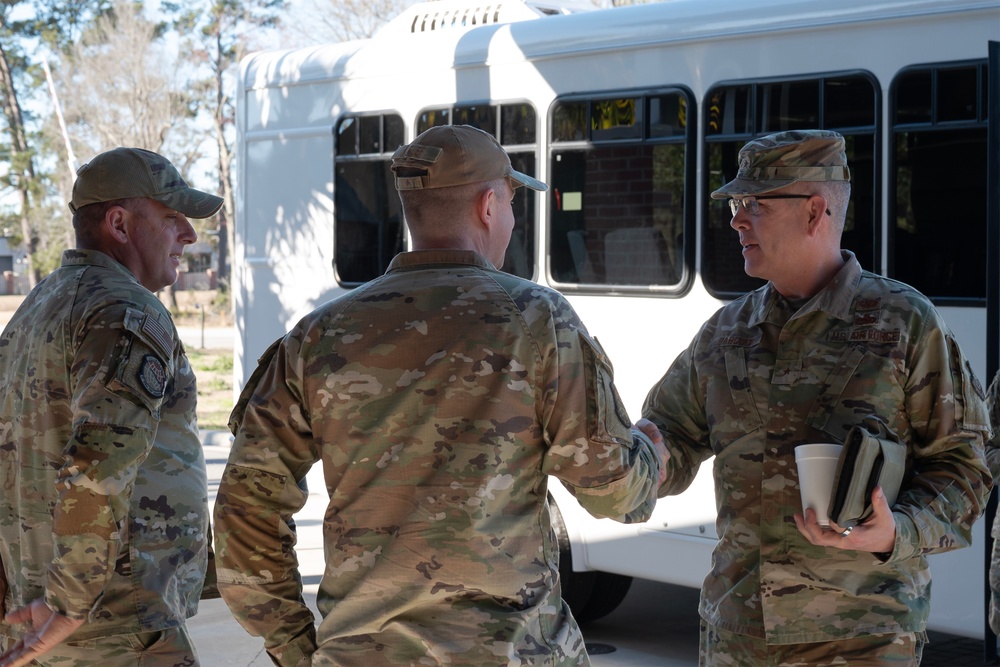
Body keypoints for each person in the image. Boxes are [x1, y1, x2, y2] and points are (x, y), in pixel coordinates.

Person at [213, 124, 667, 667]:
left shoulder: (317, 336)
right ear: (488, 204)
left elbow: (246, 510)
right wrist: (650, 458)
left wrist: (296, 646)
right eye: (513, 201)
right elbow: (612, 491)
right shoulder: (539, 321)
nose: (513, 219)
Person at [638, 129, 992, 665]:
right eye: (737, 203)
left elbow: (965, 469)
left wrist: (896, 530)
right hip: (740, 639)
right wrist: (645, 457)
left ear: (814, 212)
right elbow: (671, 438)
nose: (736, 219)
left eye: (755, 203)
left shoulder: (903, 324)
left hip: (862, 642)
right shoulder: (726, 333)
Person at [0, 147, 223, 667]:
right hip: (113, 618)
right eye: (172, 218)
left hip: (45, 606)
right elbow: (97, 467)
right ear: (119, 224)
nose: (188, 235)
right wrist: (72, 604)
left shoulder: (35, 308)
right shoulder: (123, 311)